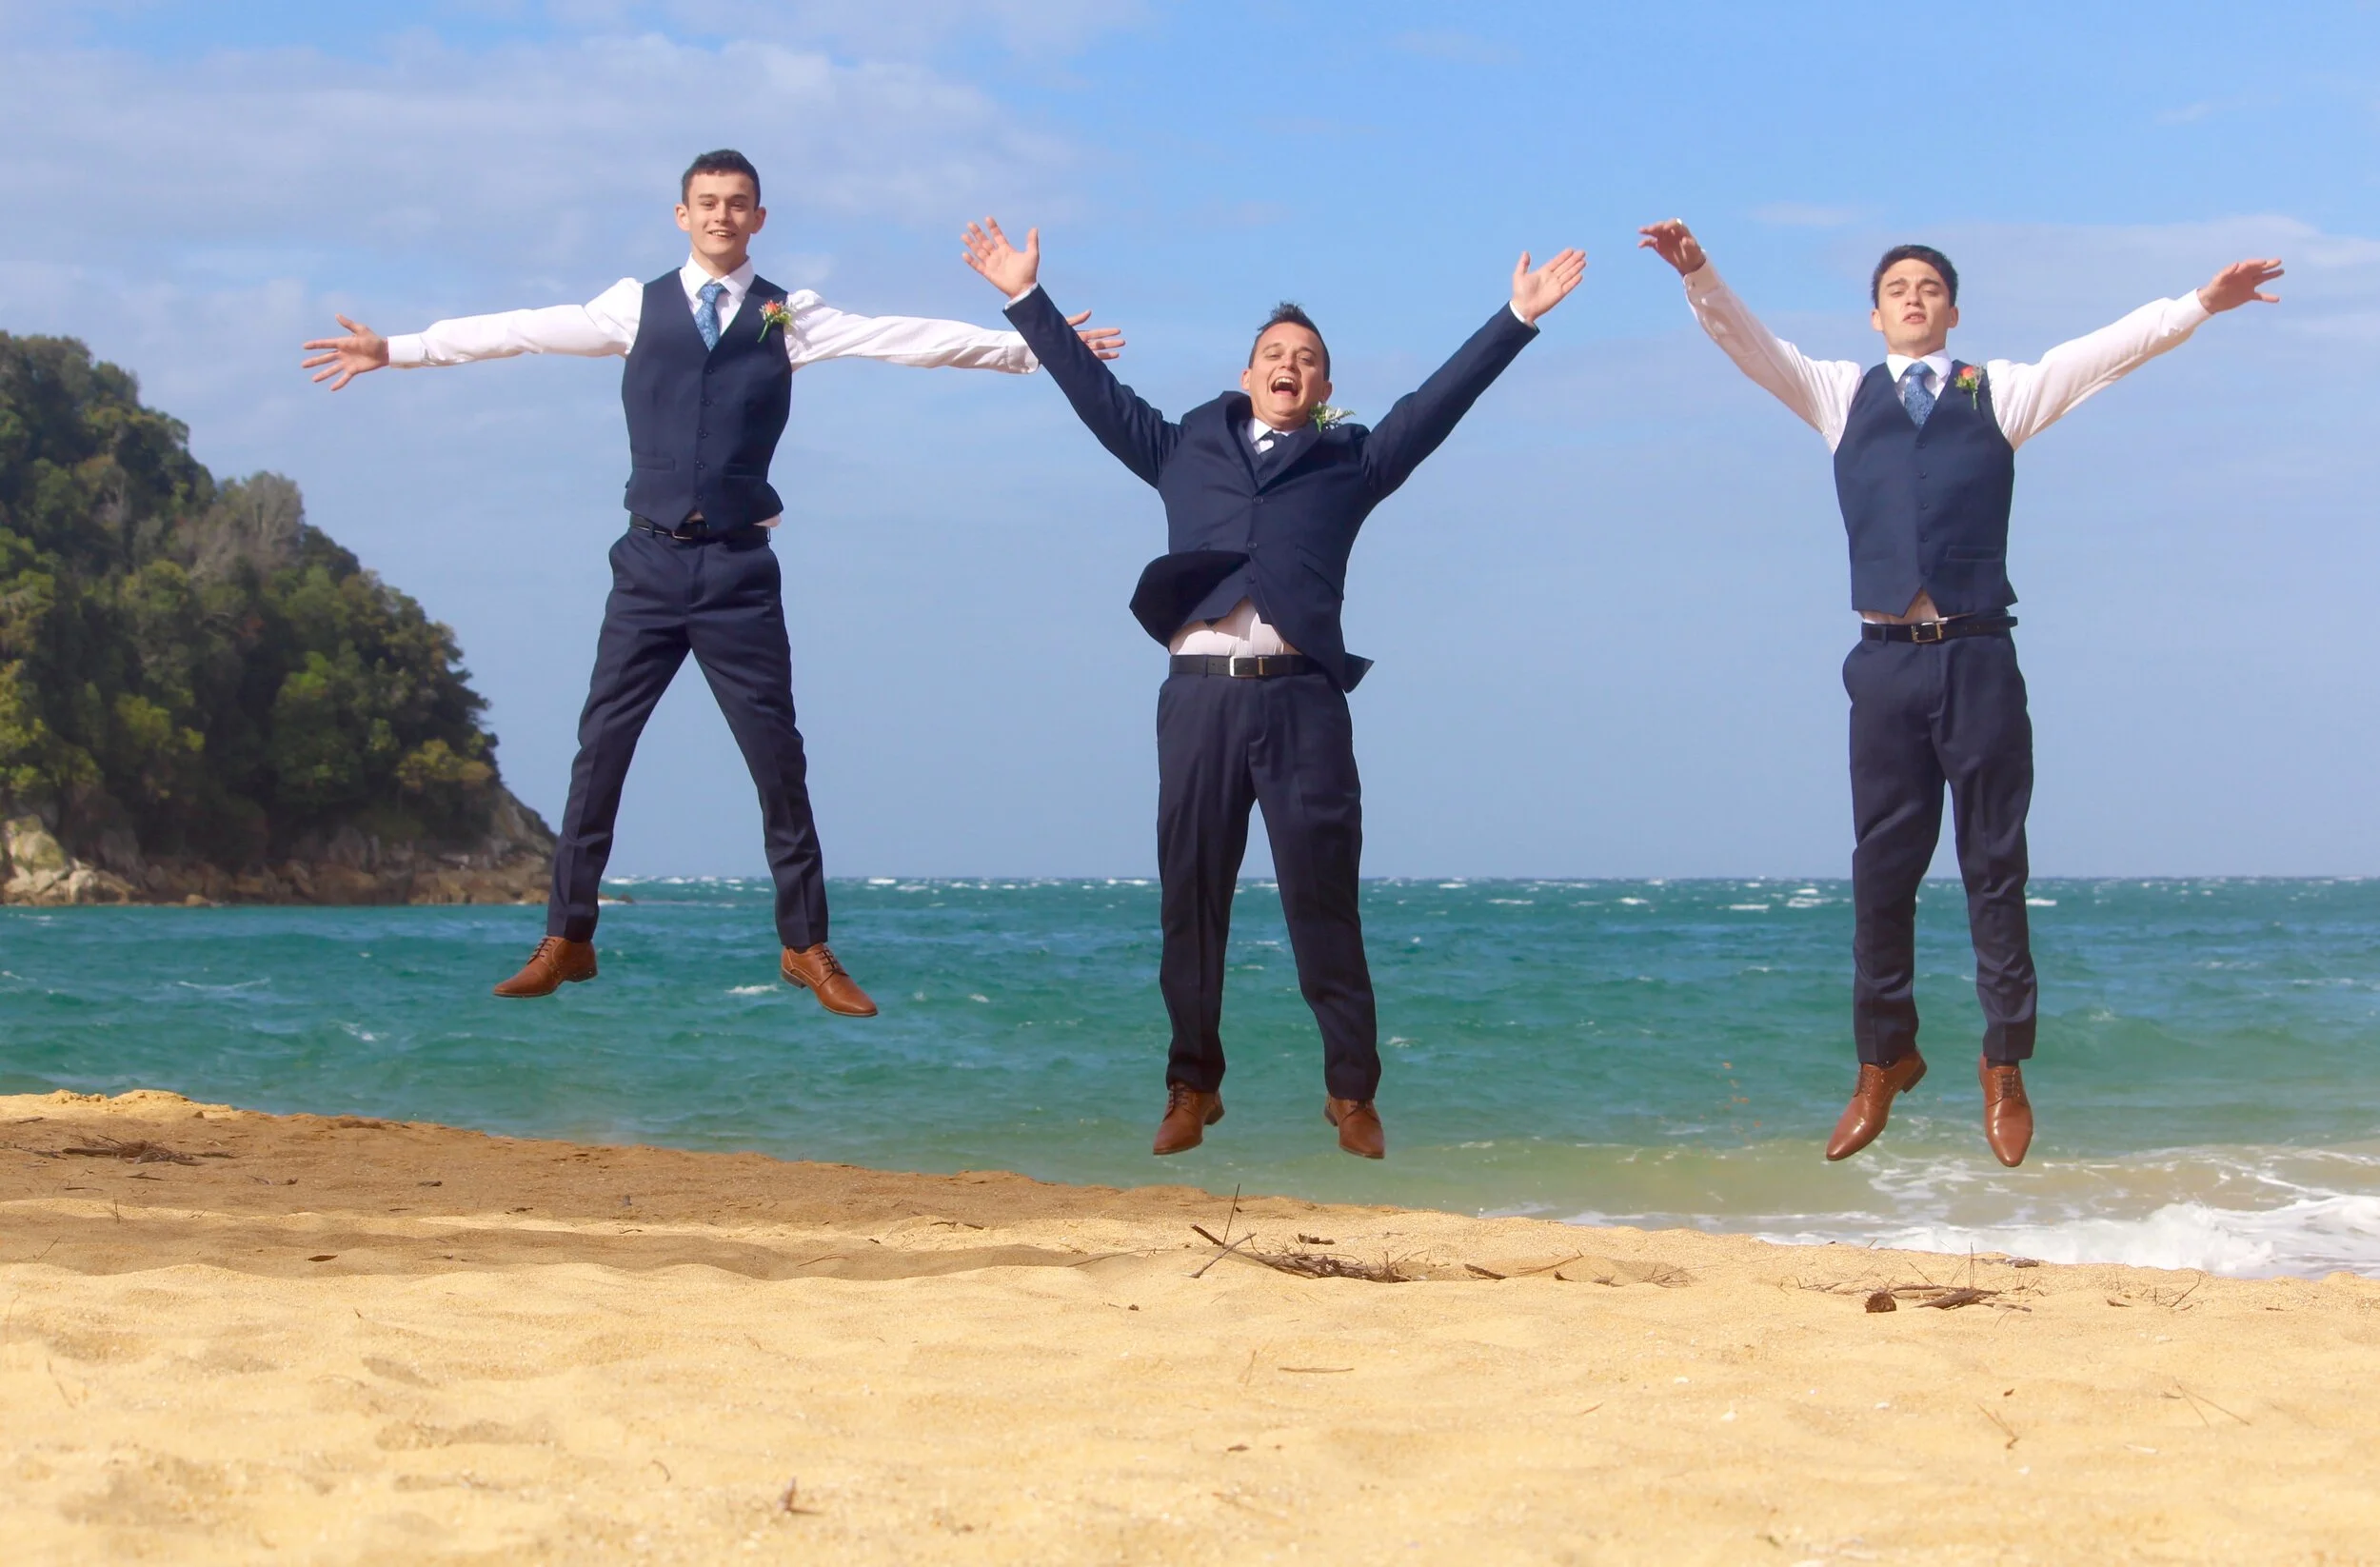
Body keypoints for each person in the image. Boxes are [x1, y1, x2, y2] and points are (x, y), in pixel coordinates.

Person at [301, 149, 1120, 1012]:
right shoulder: (635, 306)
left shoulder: (788, 315)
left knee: (779, 764)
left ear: (759, 219)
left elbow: (907, 340)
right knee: (599, 755)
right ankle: (567, 938)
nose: (723, 215)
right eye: (708, 203)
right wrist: (396, 349)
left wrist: (1040, 351)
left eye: (738, 204)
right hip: (648, 565)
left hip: (738, 571)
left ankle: (807, 948)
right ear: (682, 215)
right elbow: (520, 328)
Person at [1637, 218, 2281, 1167]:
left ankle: (2004, 1062)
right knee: (1880, 873)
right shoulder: (1837, 393)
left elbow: (2105, 351)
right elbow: (1747, 343)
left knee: (1993, 867)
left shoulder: (2001, 392)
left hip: (1978, 658)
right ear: (1873, 312)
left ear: (1951, 310)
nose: (1911, 296)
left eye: (1928, 287)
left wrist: (2198, 305)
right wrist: (1698, 271)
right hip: (1884, 663)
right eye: (1896, 286)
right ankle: (1882, 1058)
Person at [962, 215, 1584, 1159]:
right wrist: (1022, 295)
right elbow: (1091, 390)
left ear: (1324, 387)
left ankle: (1350, 1092)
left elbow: (1436, 403)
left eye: (1305, 358)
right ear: (1247, 373)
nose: (1287, 365)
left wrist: (1516, 317)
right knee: (1192, 899)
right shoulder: (1181, 448)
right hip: (1199, 698)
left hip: (1302, 703)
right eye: (1272, 353)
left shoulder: (1352, 462)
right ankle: (1190, 1084)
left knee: (1322, 899)